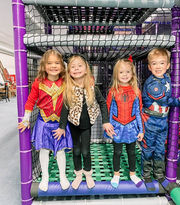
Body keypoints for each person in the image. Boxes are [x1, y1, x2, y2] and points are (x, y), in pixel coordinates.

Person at [53, 54, 115, 190]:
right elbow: (65, 108)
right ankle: (78, 174)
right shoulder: (68, 89)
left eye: (79, 66)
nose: (76, 69)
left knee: (86, 151)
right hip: (73, 124)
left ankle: (88, 173)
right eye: (73, 67)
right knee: (76, 151)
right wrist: (62, 126)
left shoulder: (92, 88)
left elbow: (103, 103)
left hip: (87, 125)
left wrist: (105, 121)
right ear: (69, 72)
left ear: (86, 69)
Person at [18, 49, 73, 192]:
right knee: (43, 150)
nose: (53, 66)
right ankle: (45, 177)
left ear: (62, 66)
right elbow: (30, 101)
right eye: (49, 63)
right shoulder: (38, 82)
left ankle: (62, 176)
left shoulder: (65, 81)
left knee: (60, 151)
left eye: (57, 63)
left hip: (60, 123)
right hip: (44, 123)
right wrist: (26, 119)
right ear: (44, 65)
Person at [141, 48, 180, 192]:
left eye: (162, 63)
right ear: (150, 67)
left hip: (163, 122)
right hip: (151, 122)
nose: (158, 67)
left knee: (159, 150)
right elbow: (166, 100)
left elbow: (171, 83)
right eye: (154, 64)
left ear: (168, 65)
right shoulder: (152, 83)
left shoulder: (166, 78)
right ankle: (146, 175)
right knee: (148, 149)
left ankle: (159, 174)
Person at [104, 57, 144, 188]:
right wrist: (108, 127)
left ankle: (132, 174)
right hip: (117, 127)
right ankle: (116, 174)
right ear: (116, 74)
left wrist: (141, 130)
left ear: (132, 73)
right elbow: (109, 110)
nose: (125, 75)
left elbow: (138, 112)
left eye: (128, 72)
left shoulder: (136, 91)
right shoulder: (113, 91)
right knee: (117, 152)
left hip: (131, 127)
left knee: (132, 152)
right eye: (121, 72)